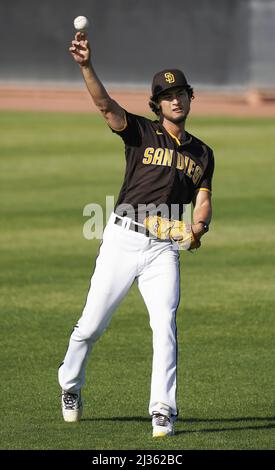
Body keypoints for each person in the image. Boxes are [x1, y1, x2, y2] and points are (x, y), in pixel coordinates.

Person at [58, 31, 214, 438]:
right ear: (157, 103)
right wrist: (86, 65)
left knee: (165, 325)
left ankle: (163, 409)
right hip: (124, 239)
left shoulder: (203, 153)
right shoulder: (141, 133)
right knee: (91, 325)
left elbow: (202, 199)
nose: (175, 100)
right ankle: (70, 385)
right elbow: (105, 106)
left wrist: (198, 228)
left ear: (189, 98)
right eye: (167, 95)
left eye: (181, 93)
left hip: (164, 248)